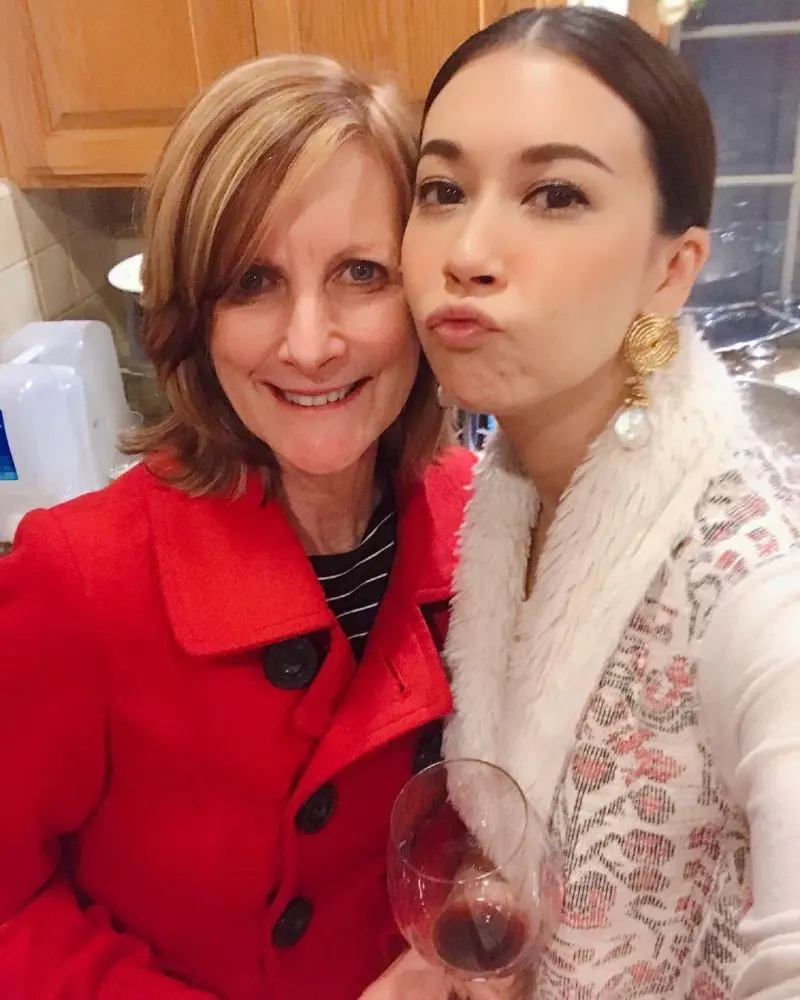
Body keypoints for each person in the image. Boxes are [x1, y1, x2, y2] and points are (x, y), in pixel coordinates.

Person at [0, 54, 473, 1000]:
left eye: (361, 273)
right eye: (253, 280)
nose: (310, 343)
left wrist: (449, 944)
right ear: (194, 319)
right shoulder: (80, 579)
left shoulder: (477, 520)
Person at [365, 7, 800, 999]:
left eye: (555, 193)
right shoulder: (503, 487)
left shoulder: (750, 588)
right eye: (441, 190)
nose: (467, 249)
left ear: (670, 269)